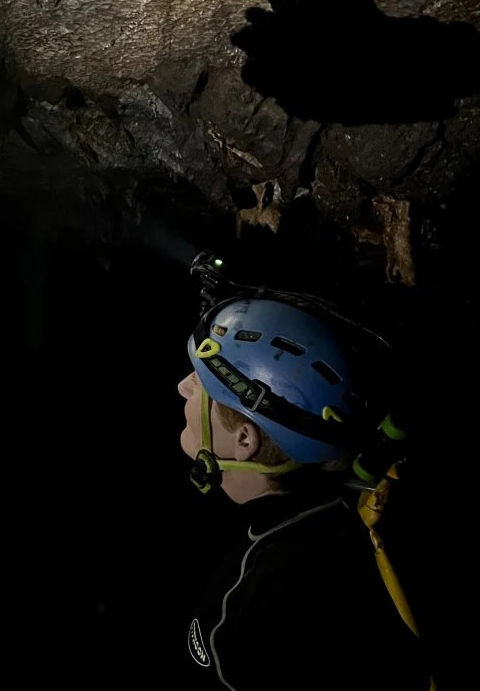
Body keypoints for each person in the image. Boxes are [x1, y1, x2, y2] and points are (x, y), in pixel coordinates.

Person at [176, 261, 433, 691]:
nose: (183, 387)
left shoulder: (271, 597)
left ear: (245, 439)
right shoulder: (331, 511)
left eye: (202, 386)